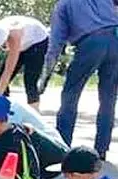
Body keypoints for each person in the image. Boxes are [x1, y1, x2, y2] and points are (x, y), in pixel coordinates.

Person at [39, 0, 118, 160]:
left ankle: (62, 145)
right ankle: (101, 150)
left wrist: (45, 75)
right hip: (115, 40)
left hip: (90, 43)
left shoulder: (63, 5)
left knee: (70, 94)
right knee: (108, 99)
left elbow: (56, 43)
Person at [0, 16, 50, 109]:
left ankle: (34, 112)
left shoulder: (15, 34)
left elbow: (9, 70)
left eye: (5, 40)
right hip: (21, 43)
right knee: (0, 77)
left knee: (30, 80)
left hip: (38, 41)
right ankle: (4, 109)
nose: (5, 44)